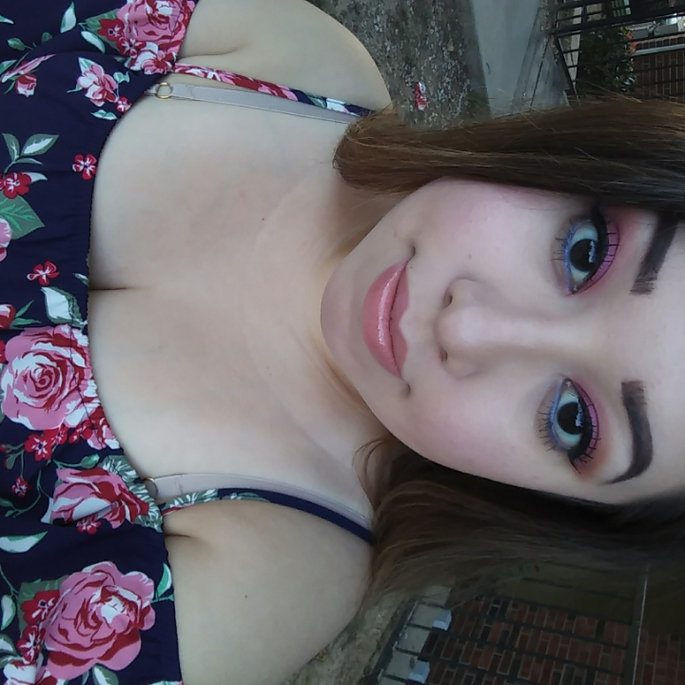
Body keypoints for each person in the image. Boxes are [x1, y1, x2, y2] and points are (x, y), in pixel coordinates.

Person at [1, 1, 685, 683]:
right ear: (572, 163)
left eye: (572, 419)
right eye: (584, 252)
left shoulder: (276, 575)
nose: (467, 328)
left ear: (546, 503)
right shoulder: (295, 60)